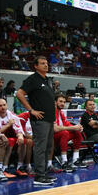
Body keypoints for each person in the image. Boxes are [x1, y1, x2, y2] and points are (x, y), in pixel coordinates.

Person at [16, 56, 56, 186]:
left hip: (49, 119)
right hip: (40, 120)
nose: (46, 65)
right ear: (36, 66)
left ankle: (44, 174)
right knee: (40, 147)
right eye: (42, 63)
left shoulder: (47, 80)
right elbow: (19, 94)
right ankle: (39, 176)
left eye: (46, 63)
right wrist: (31, 110)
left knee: (47, 147)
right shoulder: (32, 79)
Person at [0, 98, 28, 178]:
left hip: (8, 138)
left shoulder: (12, 115)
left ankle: (19, 167)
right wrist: (8, 125)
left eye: (4, 105)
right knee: (9, 141)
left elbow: (19, 130)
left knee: (23, 141)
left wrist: (20, 136)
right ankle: (4, 168)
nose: (3, 107)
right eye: (0, 106)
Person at [53, 94, 86, 172]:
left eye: (64, 102)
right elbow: (55, 129)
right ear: (55, 102)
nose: (62, 104)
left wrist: (77, 127)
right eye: (60, 101)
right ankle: (64, 161)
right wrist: (72, 127)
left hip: (60, 136)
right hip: (51, 137)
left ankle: (75, 160)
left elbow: (67, 124)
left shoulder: (61, 112)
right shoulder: (52, 112)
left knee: (77, 132)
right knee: (65, 133)